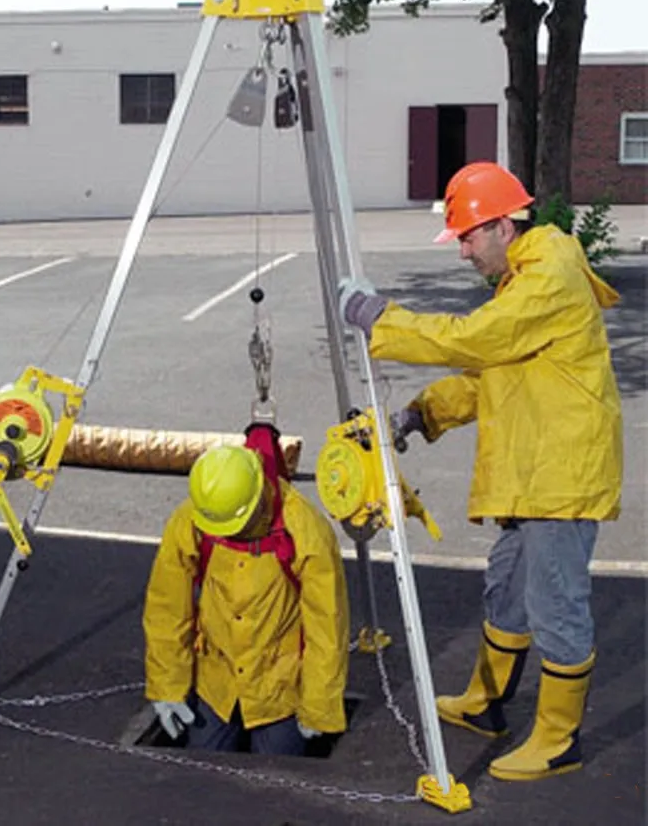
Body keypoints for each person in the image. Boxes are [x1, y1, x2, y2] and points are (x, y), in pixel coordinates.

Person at [338, 161, 623, 782]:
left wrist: (380, 318)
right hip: (535, 470)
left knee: (555, 605)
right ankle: (488, 703)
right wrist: (421, 413)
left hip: (560, 475)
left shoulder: (548, 277)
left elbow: (474, 341)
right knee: (505, 589)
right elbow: (490, 374)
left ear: (501, 225)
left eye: (467, 237)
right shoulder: (525, 281)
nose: (463, 252)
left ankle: (557, 740)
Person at [142, 423, 350, 756]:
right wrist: (167, 687)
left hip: (279, 689)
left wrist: (319, 706)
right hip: (216, 681)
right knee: (202, 773)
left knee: (274, 785)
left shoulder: (305, 529)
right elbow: (167, 607)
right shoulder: (195, 518)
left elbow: (327, 624)